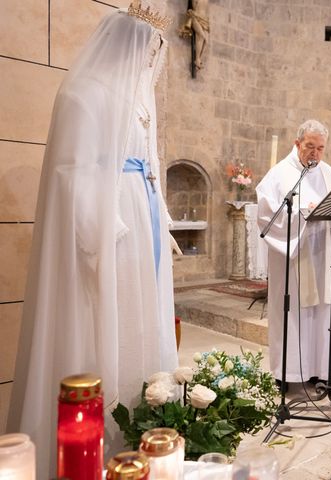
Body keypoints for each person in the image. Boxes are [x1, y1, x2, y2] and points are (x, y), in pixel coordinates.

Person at [8, 5, 178, 477]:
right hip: (111, 235)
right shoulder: (84, 92)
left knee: (143, 330)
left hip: (141, 233)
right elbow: (72, 173)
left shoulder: (140, 101)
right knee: (108, 326)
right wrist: (104, 232)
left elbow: (149, 170)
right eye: (148, 47)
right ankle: (98, 455)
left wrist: (160, 222)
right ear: (127, 43)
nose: (152, 60)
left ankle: (148, 442)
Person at [256, 120, 331, 386]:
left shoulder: (328, 173)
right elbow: (266, 216)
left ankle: (320, 372)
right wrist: (301, 214)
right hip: (295, 258)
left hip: (322, 255)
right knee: (292, 313)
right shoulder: (279, 174)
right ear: (297, 144)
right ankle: (287, 373)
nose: (315, 154)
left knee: (321, 313)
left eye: (321, 148)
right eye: (310, 147)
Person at [178, 0, 209, 70]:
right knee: (201, 36)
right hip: (195, 17)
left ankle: (199, 59)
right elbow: (194, 7)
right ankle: (197, 59)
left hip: (204, 20)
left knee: (206, 41)